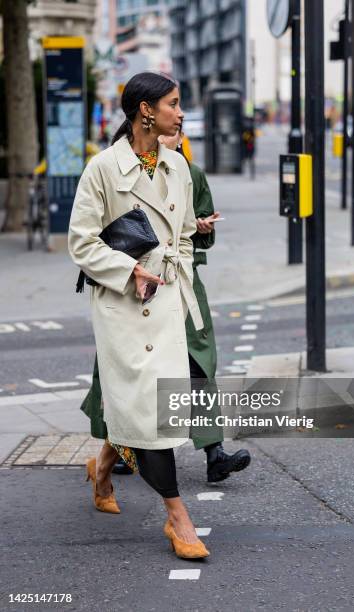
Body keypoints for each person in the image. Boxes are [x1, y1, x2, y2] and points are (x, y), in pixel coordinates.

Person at [68, 72, 209, 559]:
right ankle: (178, 516)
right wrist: (130, 271)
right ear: (146, 111)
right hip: (125, 306)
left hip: (166, 301)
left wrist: (180, 268)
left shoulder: (178, 167)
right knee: (146, 407)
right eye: (173, 103)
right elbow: (81, 243)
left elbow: (185, 234)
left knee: (151, 408)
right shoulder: (103, 169)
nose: (180, 111)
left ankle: (103, 467)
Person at [81, 130, 251, 482]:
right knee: (129, 373)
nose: (177, 133)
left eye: (180, 127)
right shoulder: (110, 169)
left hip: (180, 285)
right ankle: (123, 450)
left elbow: (197, 231)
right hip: (131, 286)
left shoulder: (189, 172)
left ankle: (214, 451)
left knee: (198, 363)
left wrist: (199, 231)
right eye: (170, 124)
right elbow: (90, 237)